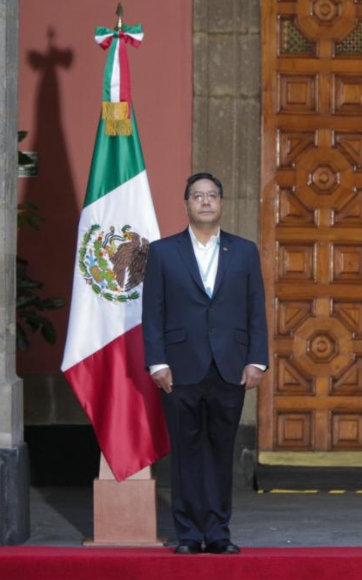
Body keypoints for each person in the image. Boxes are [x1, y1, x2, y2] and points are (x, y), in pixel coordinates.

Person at [142, 172, 268, 555]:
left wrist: (257, 360)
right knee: (186, 452)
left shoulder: (244, 251)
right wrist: (157, 363)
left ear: (221, 203)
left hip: (230, 367)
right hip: (179, 368)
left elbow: (255, 309)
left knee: (220, 451)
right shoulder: (163, 252)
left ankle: (217, 533)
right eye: (198, 196)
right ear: (187, 204)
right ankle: (187, 534)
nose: (206, 201)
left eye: (212, 195)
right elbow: (153, 312)